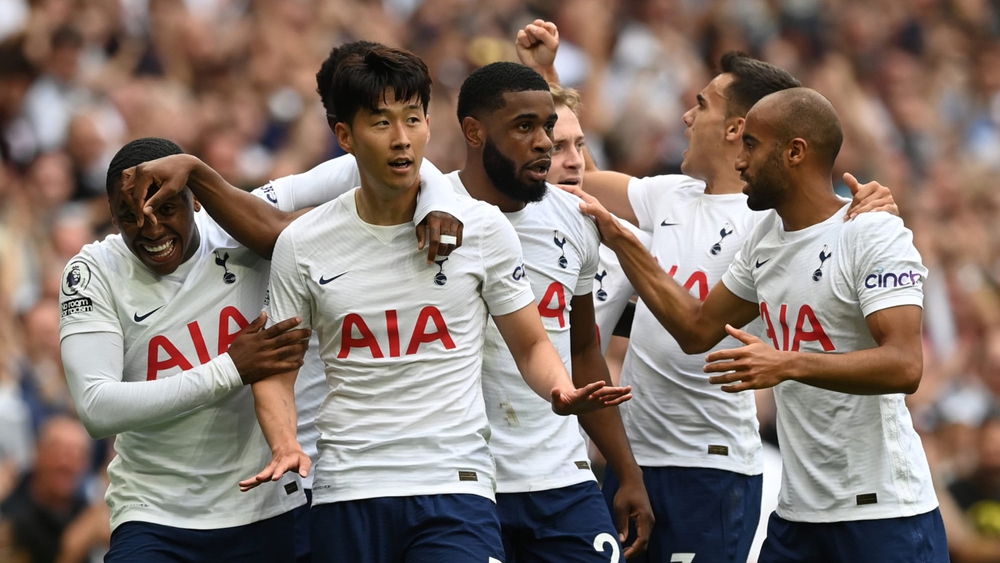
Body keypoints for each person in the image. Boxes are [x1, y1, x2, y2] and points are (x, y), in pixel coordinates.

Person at [124, 44, 631, 563]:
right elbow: (277, 370)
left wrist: (558, 388)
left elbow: (532, 345)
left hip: (453, 487)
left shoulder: (481, 230)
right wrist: (284, 442)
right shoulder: (304, 243)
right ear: (345, 136)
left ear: (429, 124)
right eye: (382, 122)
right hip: (348, 489)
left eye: (413, 119)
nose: (401, 137)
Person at [518, 21, 899, 562]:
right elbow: (578, 181)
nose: (686, 115)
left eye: (701, 104)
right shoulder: (670, 195)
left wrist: (867, 208)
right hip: (634, 455)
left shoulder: (772, 222)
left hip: (710, 466)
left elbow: (700, 323)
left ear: (736, 127)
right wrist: (546, 81)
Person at [581, 86, 948, 562]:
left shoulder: (871, 232)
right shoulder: (765, 240)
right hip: (798, 515)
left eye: (751, 146)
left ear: (795, 152)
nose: (740, 161)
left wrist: (787, 363)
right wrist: (622, 240)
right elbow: (696, 329)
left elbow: (904, 365)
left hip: (883, 512)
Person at [58, 136, 315, 563]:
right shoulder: (92, 271)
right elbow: (97, 407)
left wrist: (430, 199)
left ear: (195, 200)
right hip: (155, 514)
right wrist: (230, 369)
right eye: (130, 217)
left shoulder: (241, 225)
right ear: (112, 217)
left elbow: (361, 170)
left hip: (269, 503)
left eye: (164, 208)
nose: (151, 229)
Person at [448, 60, 653, 561]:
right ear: (474, 132)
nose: (543, 143)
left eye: (548, 128)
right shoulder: (429, 213)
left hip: (563, 479)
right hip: (465, 480)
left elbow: (582, 349)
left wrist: (626, 472)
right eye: (526, 128)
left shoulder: (574, 218)